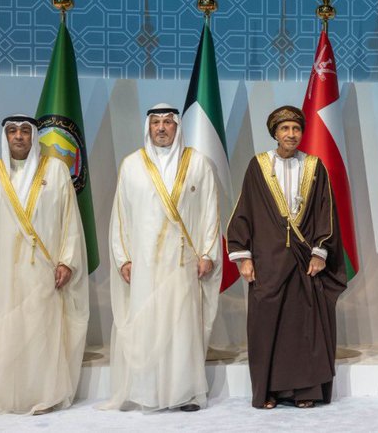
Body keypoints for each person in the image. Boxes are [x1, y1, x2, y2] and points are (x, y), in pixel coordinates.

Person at [0, 114, 88, 415]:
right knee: (5, 331)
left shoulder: (56, 170)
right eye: (12, 131)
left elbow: (70, 219)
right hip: (2, 270)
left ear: (34, 136)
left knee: (40, 333)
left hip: (42, 270)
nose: (18, 136)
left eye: (24, 131)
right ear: (5, 137)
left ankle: (43, 396)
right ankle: (4, 397)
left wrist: (67, 260)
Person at [226, 105, 345, 409]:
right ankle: (269, 391)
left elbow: (326, 211)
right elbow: (244, 211)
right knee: (267, 325)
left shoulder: (314, 166)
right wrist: (244, 257)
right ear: (275, 133)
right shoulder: (258, 166)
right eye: (285, 129)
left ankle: (305, 392)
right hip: (267, 260)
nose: (291, 134)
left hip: (305, 261)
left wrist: (320, 252)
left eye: (296, 129)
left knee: (304, 326)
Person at [105, 104, 221, 412]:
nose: (161, 127)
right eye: (155, 122)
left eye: (167, 122)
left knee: (182, 329)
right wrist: (123, 258)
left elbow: (211, 212)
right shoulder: (131, 165)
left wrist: (208, 253)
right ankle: (149, 393)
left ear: (177, 126)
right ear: (148, 126)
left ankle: (186, 394)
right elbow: (121, 215)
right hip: (144, 264)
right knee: (148, 326)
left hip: (184, 264)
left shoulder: (197, 163)